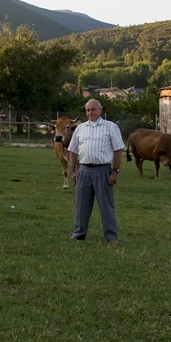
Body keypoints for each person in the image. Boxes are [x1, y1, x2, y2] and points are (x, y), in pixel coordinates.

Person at [67, 99, 125, 243]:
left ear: (100, 110)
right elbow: (73, 151)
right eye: (88, 110)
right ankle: (79, 234)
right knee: (81, 205)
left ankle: (111, 237)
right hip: (84, 170)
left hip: (102, 171)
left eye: (93, 109)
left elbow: (118, 150)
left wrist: (115, 171)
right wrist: (73, 171)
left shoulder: (110, 127)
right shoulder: (80, 128)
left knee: (106, 205)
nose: (90, 112)